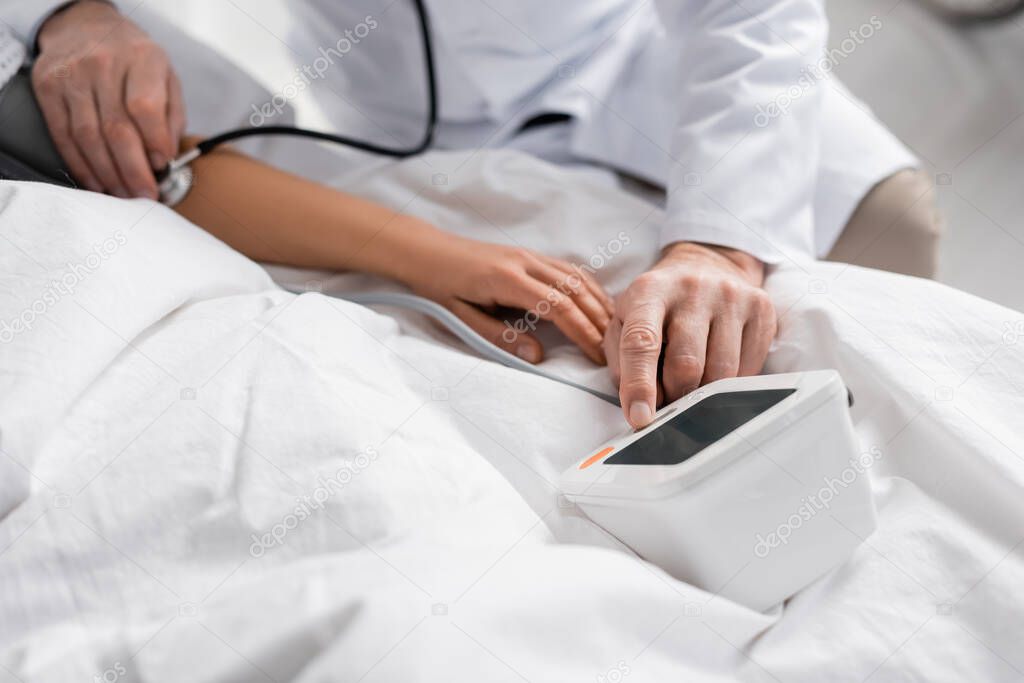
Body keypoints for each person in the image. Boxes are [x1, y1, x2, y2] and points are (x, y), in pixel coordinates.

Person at [3, 0, 942, 429]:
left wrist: (722, 243)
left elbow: (750, 14)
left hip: (639, 61)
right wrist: (71, 9)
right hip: (405, 129)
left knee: (883, 241)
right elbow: (177, 165)